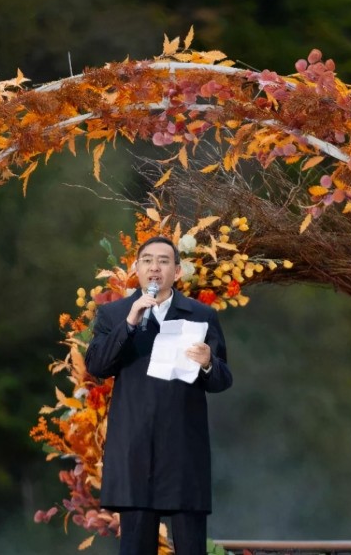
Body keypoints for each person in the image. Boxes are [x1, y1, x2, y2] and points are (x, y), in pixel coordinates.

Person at [85, 236, 233, 555]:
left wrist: (209, 362)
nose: (155, 267)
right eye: (148, 260)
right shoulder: (114, 314)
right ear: (136, 269)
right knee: (136, 546)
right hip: (134, 449)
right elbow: (96, 365)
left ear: (177, 272)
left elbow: (222, 379)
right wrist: (129, 322)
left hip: (183, 449)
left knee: (191, 546)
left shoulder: (200, 315)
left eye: (164, 261)